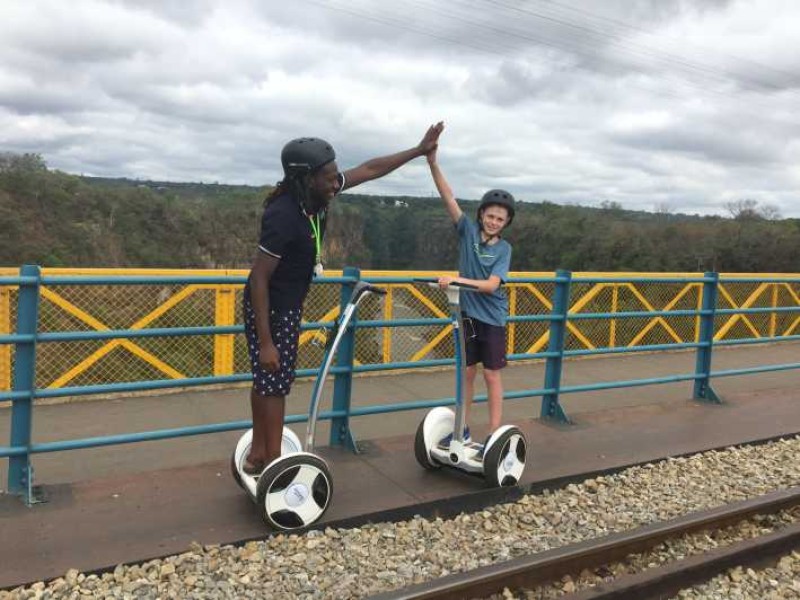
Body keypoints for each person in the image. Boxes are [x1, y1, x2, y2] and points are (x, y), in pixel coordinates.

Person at [243, 125, 443, 474]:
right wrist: (265, 341)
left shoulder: (314, 196)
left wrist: (418, 149)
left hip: (286, 303)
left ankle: (259, 454)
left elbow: (370, 169)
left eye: (337, 176)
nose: (337, 184)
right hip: (272, 308)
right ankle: (274, 464)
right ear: (306, 179)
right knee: (273, 386)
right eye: (330, 178)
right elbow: (260, 277)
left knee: (266, 382)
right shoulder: (284, 214)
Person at [426, 122, 515, 447]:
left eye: (500, 218)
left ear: (505, 224)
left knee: (492, 374)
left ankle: (494, 433)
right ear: (481, 215)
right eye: (490, 215)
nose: (493, 221)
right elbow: (447, 196)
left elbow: (492, 286)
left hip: (491, 319)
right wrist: (432, 161)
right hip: (467, 316)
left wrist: (455, 280)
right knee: (466, 374)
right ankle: (461, 427)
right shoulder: (466, 231)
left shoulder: (504, 249)